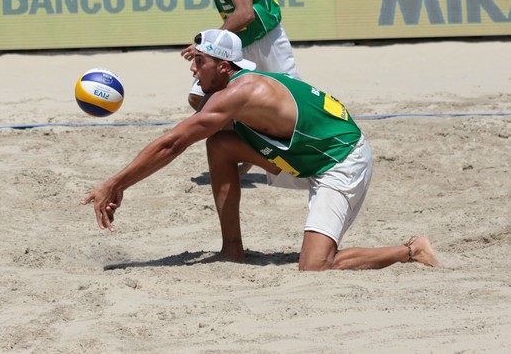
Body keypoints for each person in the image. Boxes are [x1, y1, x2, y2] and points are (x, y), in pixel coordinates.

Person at [81, 29, 440, 271]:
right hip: (303, 157)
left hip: (340, 162)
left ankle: (410, 250)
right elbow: (200, 108)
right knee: (221, 144)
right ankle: (232, 249)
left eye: (200, 62)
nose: (192, 68)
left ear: (224, 66)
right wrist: (202, 60)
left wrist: (116, 184)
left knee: (315, 267)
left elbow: (173, 142)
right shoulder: (232, 82)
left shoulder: (242, 92)